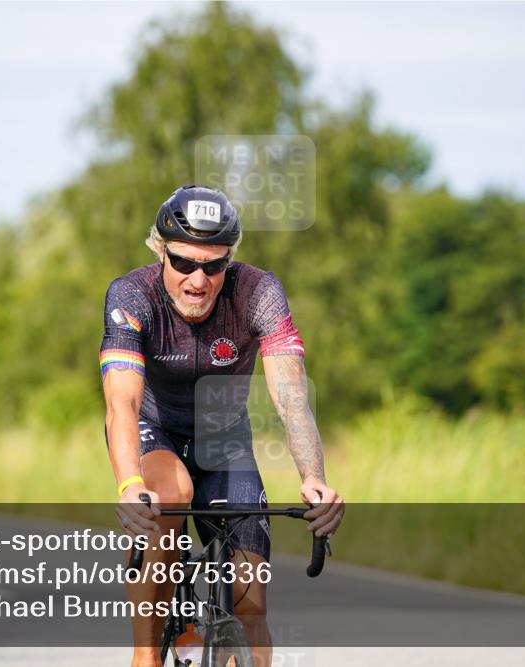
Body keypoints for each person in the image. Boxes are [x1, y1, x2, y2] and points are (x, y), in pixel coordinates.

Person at [101, 185, 344, 667]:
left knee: (251, 606)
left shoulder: (259, 292)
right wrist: (130, 485)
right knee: (169, 494)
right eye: (184, 263)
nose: (198, 279)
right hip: (156, 431)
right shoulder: (132, 294)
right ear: (160, 251)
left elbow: (291, 397)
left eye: (214, 266)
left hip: (224, 440)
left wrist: (313, 478)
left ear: (230, 261)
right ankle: (146, 655)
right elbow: (121, 405)